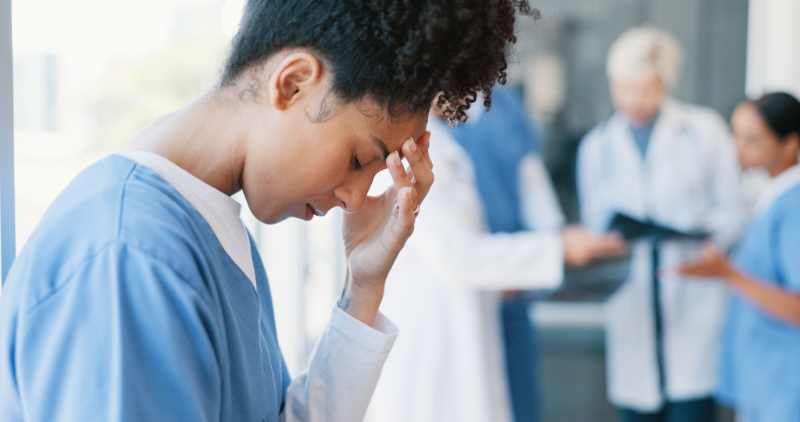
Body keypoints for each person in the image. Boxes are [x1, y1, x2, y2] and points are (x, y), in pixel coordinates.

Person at [0, 1, 536, 421]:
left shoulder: (213, 229)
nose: (355, 197)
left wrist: (363, 285)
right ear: (293, 83)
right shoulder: (127, 254)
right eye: (358, 159)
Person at [369, 87, 624, 422]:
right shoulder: (407, 150)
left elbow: (530, 184)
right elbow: (456, 257)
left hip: (498, 289)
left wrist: (557, 236)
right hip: (436, 327)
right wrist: (558, 248)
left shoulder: (469, 128)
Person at [577, 27, 748, 422]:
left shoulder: (704, 131)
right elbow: (593, 227)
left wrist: (709, 243)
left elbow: (734, 213)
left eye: (646, 89)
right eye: (624, 88)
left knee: (691, 407)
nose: (634, 100)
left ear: (666, 84)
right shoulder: (596, 147)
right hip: (632, 300)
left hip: (692, 293)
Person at [678, 92, 800, 422]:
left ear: (789, 145)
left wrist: (728, 274)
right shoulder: (771, 198)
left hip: (785, 388)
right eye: (735, 135)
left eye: (751, 140)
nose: (736, 149)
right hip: (766, 383)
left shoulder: (794, 207)